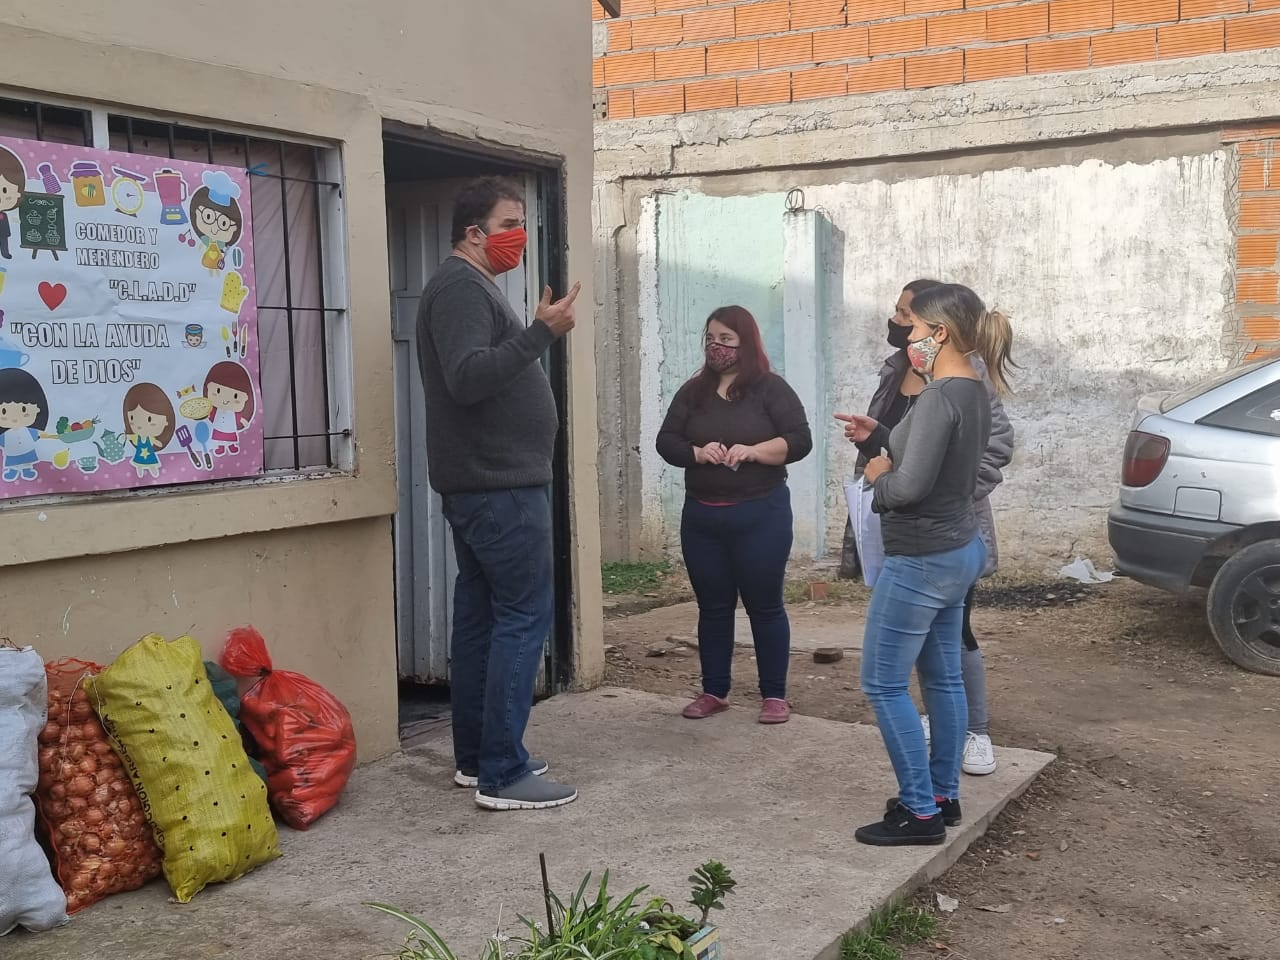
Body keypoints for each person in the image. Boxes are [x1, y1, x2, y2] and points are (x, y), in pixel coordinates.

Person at [416, 176, 581, 811]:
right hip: (498, 487)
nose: (519, 235)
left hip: (488, 483)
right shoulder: (460, 287)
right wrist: (540, 334)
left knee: (484, 618)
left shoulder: (468, 285)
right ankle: (504, 774)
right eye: (509, 224)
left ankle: (478, 758)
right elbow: (466, 378)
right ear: (474, 232)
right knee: (522, 615)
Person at [838, 283, 1014, 846]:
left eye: (912, 327)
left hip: (921, 560)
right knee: (942, 678)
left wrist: (878, 478)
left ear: (939, 333)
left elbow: (909, 486)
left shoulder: (940, 395)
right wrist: (879, 437)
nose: (906, 336)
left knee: (883, 683)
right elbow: (935, 452)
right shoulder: (972, 389)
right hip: (958, 550)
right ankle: (942, 796)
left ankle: (918, 811)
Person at [656, 306, 812, 724]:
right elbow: (666, 441)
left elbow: (800, 440)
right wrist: (696, 452)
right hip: (702, 519)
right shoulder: (693, 392)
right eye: (710, 338)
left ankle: (774, 695)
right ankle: (714, 691)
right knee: (713, 607)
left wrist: (755, 451)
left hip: (762, 515)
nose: (716, 347)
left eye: (726, 339)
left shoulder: (771, 389)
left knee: (765, 605)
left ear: (746, 343)